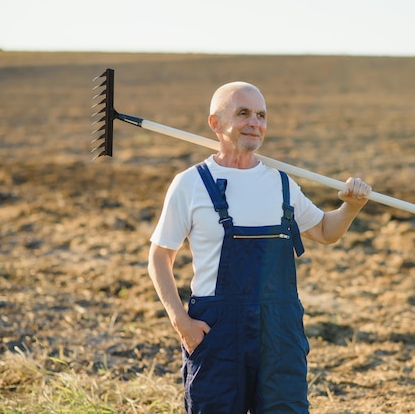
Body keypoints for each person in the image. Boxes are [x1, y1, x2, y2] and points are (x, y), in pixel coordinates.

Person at [147, 81, 371, 413]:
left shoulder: (281, 184)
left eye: (261, 115)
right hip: (218, 334)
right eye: (243, 113)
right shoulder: (191, 184)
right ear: (215, 123)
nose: (255, 122)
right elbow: (159, 257)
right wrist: (181, 322)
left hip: (280, 332)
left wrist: (351, 206)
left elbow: (325, 231)